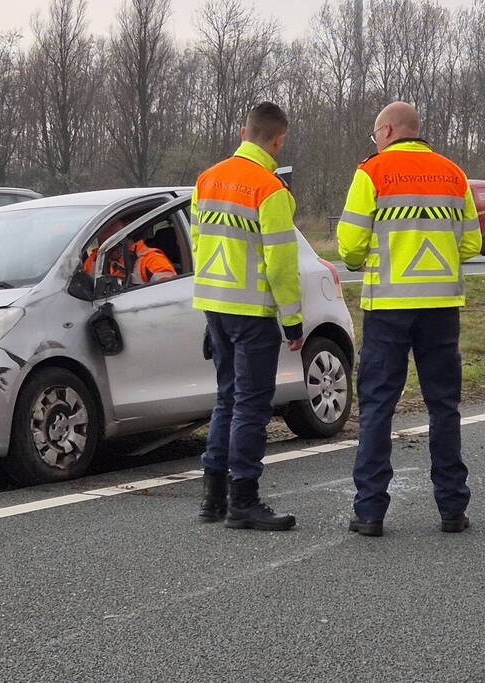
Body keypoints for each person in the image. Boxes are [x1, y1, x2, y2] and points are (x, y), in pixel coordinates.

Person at [337, 101, 482, 536]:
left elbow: (349, 245)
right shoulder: (454, 174)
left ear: (387, 130)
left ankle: (369, 512)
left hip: (387, 307)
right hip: (440, 308)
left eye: (374, 134)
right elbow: (471, 243)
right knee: (444, 406)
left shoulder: (373, 172)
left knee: (379, 406)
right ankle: (452, 509)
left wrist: (373, 258)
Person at [191, 101, 303, 531]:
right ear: (278, 140)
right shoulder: (270, 189)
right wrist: (292, 319)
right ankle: (244, 501)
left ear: (243, 132)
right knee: (252, 407)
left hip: (215, 305)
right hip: (252, 311)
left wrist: (209, 305)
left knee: (225, 399)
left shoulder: (206, 180)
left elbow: (200, 246)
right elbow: (280, 264)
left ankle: (212, 499)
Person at [82, 218, 176, 285]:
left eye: (111, 225)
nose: (106, 233)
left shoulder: (151, 259)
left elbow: (169, 294)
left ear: (127, 228)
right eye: (102, 228)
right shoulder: (95, 260)